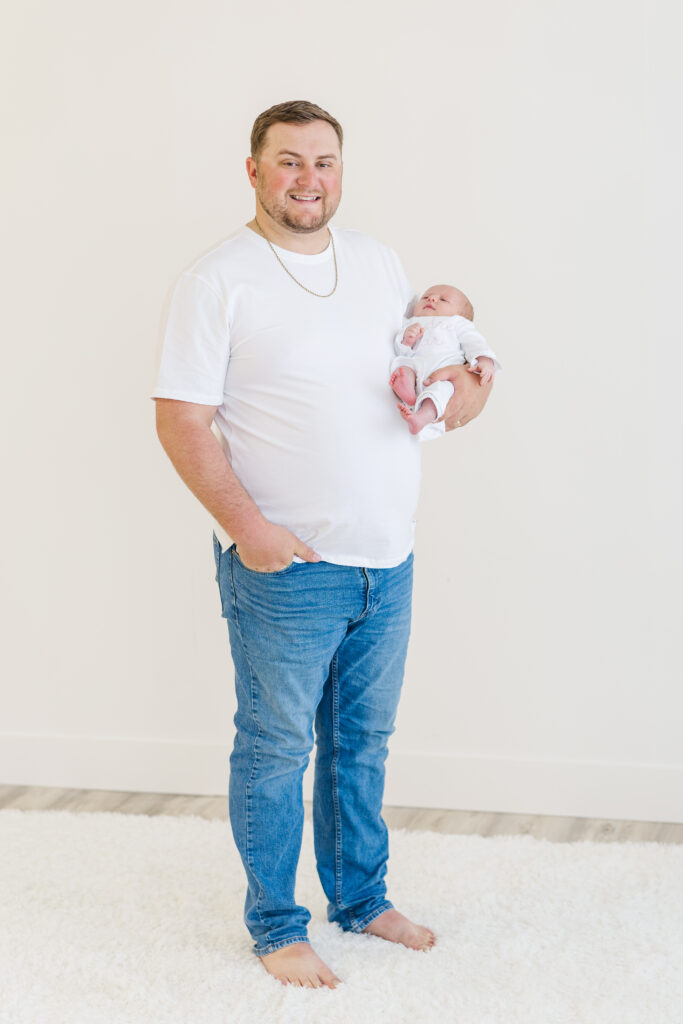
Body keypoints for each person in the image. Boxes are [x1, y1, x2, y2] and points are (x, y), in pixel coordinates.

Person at [152, 100, 493, 990]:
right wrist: (250, 532)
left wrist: (469, 384)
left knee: (361, 743)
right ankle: (274, 924)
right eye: (290, 161)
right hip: (288, 568)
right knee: (274, 748)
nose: (309, 178)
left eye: (325, 162)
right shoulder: (217, 279)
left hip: (388, 559)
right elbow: (182, 419)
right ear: (254, 170)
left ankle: (360, 897)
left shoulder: (380, 264)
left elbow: (422, 386)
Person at [390, 284, 500, 436]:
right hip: (416, 368)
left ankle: (421, 417)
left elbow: (475, 343)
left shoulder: (457, 324)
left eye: (443, 300)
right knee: (404, 368)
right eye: (426, 297)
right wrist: (407, 340)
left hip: (442, 375)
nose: (432, 298)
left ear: (460, 315)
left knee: (442, 391)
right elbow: (399, 351)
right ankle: (407, 390)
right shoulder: (411, 322)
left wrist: (484, 361)